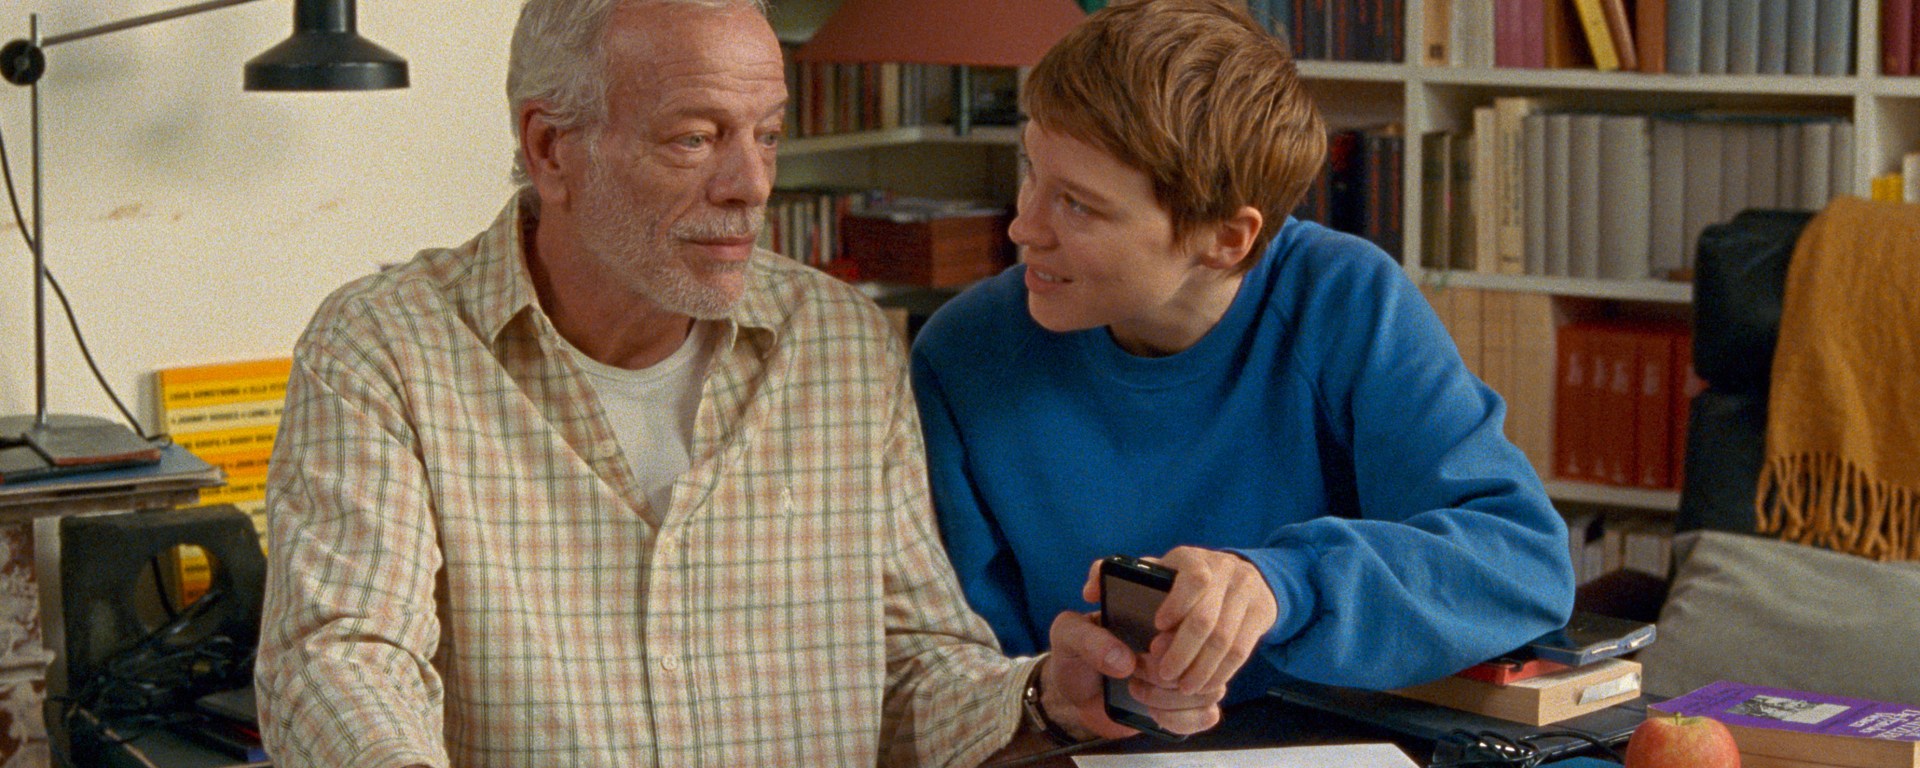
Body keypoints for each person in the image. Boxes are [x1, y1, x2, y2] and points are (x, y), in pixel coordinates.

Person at [253, 0, 1219, 765]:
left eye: (766, 134)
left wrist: (1043, 694)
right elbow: (341, 659)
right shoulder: (385, 348)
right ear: (551, 148)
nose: (750, 184)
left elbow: (912, 671)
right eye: (695, 138)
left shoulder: (839, 343)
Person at [911, 0, 1577, 727]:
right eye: (1030, 171)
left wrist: (1279, 583)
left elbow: (1522, 566)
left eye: (1077, 205)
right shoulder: (960, 355)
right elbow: (957, 664)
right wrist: (1049, 690)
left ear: (1226, 238)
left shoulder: (1343, 299)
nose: (1023, 226)